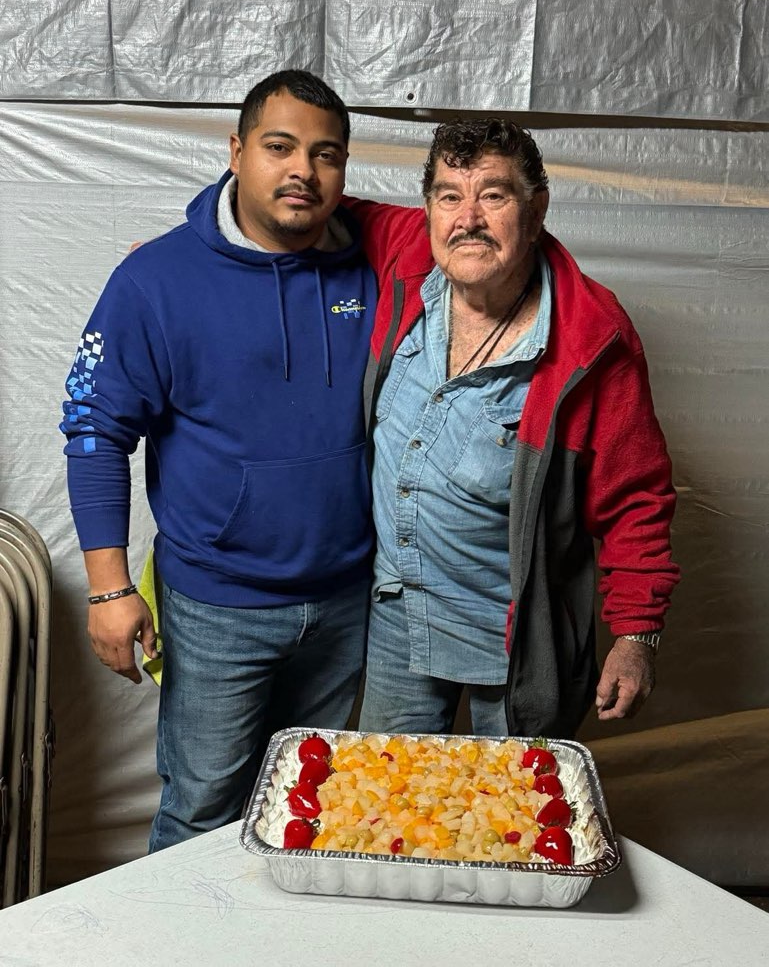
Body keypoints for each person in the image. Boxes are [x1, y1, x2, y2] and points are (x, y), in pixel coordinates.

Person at [60, 70, 378, 851]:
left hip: (348, 601)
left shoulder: (378, 270)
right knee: (204, 811)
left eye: (326, 153)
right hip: (216, 605)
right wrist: (107, 590)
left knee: (316, 810)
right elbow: (96, 428)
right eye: (279, 147)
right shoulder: (155, 280)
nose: (303, 169)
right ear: (235, 151)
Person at [344, 118, 680, 738]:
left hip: (515, 638)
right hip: (401, 615)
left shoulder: (591, 338)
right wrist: (196, 250)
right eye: (449, 196)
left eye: (493, 195)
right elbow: (298, 198)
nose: (467, 217)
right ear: (428, 209)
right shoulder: (408, 260)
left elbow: (635, 499)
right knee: (389, 813)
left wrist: (637, 633)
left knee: (509, 824)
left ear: (537, 207)